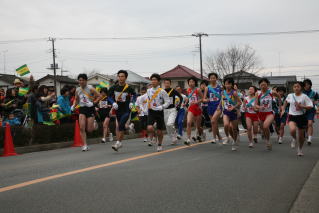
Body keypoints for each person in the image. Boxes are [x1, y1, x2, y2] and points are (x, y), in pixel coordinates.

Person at [281, 81, 313, 156]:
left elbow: (310, 106)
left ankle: (300, 149)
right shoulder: (290, 95)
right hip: (292, 116)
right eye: (294, 87)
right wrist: (283, 110)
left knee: (301, 136)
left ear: (301, 87)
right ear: (293, 88)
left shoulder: (304, 96)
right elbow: (286, 102)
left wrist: (302, 106)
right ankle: (294, 139)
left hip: (301, 117)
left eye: (298, 86)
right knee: (292, 130)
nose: (296, 88)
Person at [72, 73, 101, 151]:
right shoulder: (77, 89)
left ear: (86, 80)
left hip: (90, 108)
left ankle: (94, 124)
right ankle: (85, 145)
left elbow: (99, 96)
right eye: (79, 80)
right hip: (82, 109)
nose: (81, 82)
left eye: (82, 80)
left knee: (89, 130)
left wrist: (94, 103)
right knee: (81, 128)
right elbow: (76, 99)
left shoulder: (90, 88)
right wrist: (73, 106)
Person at [108, 70, 136, 152]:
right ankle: (129, 127)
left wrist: (132, 102)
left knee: (120, 125)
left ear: (126, 77)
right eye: (119, 76)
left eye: (122, 76)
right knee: (121, 126)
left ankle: (118, 143)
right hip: (118, 109)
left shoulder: (129, 87)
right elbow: (109, 97)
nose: (120, 78)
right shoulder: (114, 87)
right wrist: (113, 103)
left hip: (126, 109)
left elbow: (134, 95)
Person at [146, 73, 170, 152]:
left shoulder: (162, 91)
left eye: (155, 80)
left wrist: (162, 107)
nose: (153, 81)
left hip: (159, 111)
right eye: (152, 80)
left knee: (160, 131)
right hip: (151, 111)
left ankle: (159, 144)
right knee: (149, 127)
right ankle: (154, 136)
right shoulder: (148, 90)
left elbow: (168, 102)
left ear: (159, 81)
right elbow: (147, 100)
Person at [255, 78, 279, 151]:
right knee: (263, 128)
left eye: (264, 84)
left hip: (269, 113)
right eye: (261, 85)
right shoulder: (258, 93)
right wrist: (259, 107)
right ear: (259, 85)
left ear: (267, 85)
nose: (263, 86)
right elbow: (255, 104)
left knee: (266, 126)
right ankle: (267, 140)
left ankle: (268, 141)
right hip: (261, 113)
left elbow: (279, 97)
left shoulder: (272, 92)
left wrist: (281, 107)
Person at [219, 77, 242, 151]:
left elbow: (239, 102)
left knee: (234, 129)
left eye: (229, 84)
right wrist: (219, 107)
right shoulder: (222, 92)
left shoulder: (234, 93)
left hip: (233, 112)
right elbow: (221, 101)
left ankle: (234, 141)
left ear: (232, 85)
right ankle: (228, 137)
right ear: (224, 85)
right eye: (226, 84)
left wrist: (233, 107)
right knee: (226, 125)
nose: (227, 85)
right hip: (226, 112)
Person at [204, 73, 222, 144]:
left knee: (213, 121)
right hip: (210, 107)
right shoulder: (207, 88)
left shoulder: (220, 87)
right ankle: (219, 136)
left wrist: (220, 105)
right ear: (209, 79)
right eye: (211, 78)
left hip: (218, 107)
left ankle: (214, 138)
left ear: (216, 78)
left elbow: (222, 98)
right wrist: (206, 100)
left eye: (214, 78)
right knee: (214, 123)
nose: (212, 79)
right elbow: (204, 99)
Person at [184, 77, 204, 145]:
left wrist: (196, 102)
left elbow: (203, 99)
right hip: (191, 108)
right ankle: (188, 139)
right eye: (190, 82)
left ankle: (201, 134)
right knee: (189, 123)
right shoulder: (188, 90)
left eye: (192, 82)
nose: (191, 83)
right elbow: (189, 98)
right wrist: (186, 102)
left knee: (198, 126)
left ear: (195, 83)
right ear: (188, 83)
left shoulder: (198, 90)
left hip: (198, 108)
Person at [163, 79, 183, 145]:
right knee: (167, 127)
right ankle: (173, 139)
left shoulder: (173, 91)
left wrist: (179, 105)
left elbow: (181, 97)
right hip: (165, 110)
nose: (166, 84)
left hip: (172, 109)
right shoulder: (162, 91)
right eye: (165, 83)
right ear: (164, 84)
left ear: (170, 84)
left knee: (170, 124)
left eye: (168, 83)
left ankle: (174, 133)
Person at [303, 79, 319, 145]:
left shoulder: (314, 93)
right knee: (305, 125)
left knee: (310, 124)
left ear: (310, 85)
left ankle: (309, 139)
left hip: (311, 111)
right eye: (305, 85)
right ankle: (306, 133)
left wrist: (317, 107)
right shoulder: (301, 93)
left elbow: (317, 101)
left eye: (308, 84)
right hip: (303, 111)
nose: (306, 86)